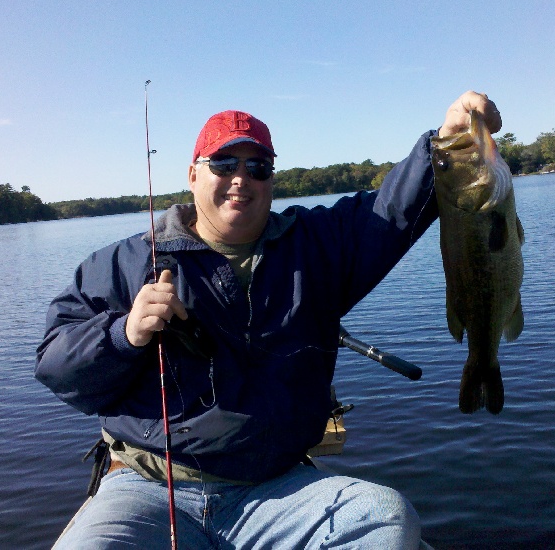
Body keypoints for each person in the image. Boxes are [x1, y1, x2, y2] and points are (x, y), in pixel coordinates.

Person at [36, 91, 501, 549]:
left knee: (386, 520)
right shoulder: (124, 262)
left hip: (278, 488)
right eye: (224, 165)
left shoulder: (316, 245)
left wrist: (448, 137)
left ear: (270, 180)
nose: (241, 179)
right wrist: (125, 333)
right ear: (193, 175)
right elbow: (57, 366)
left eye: (257, 168)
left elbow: (390, 211)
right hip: (147, 488)